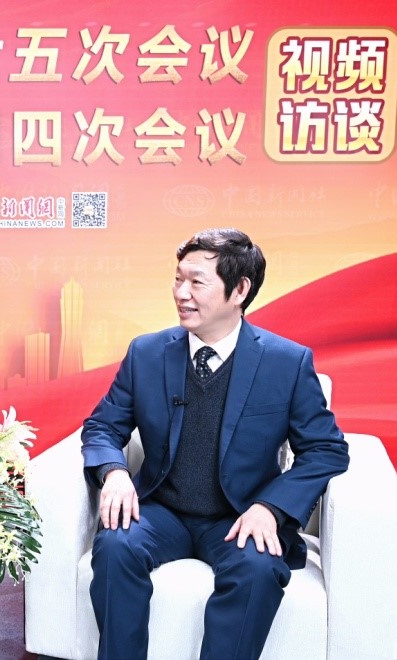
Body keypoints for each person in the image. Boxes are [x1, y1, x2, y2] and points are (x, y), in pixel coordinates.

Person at [82, 228, 350, 659]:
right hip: (161, 510)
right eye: (177, 279)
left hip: (239, 516)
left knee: (258, 567)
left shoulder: (286, 362)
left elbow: (326, 449)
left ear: (239, 290)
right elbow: (102, 426)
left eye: (196, 282)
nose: (181, 293)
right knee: (115, 545)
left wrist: (271, 508)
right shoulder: (146, 353)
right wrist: (114, 472)